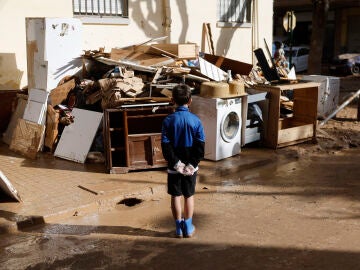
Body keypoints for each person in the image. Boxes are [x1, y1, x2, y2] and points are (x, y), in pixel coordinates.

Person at [161, 84, 205, 238]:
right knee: (188, 195)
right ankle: (188, 227)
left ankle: (178, 228)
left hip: (175, 164)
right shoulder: (196, 120)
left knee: (175, 195)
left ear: (172, 100)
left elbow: (165, 147)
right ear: (190, 101)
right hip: (191, 164)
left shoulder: (168, 121)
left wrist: (176, 164)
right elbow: (200, 147)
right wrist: (192, 164)